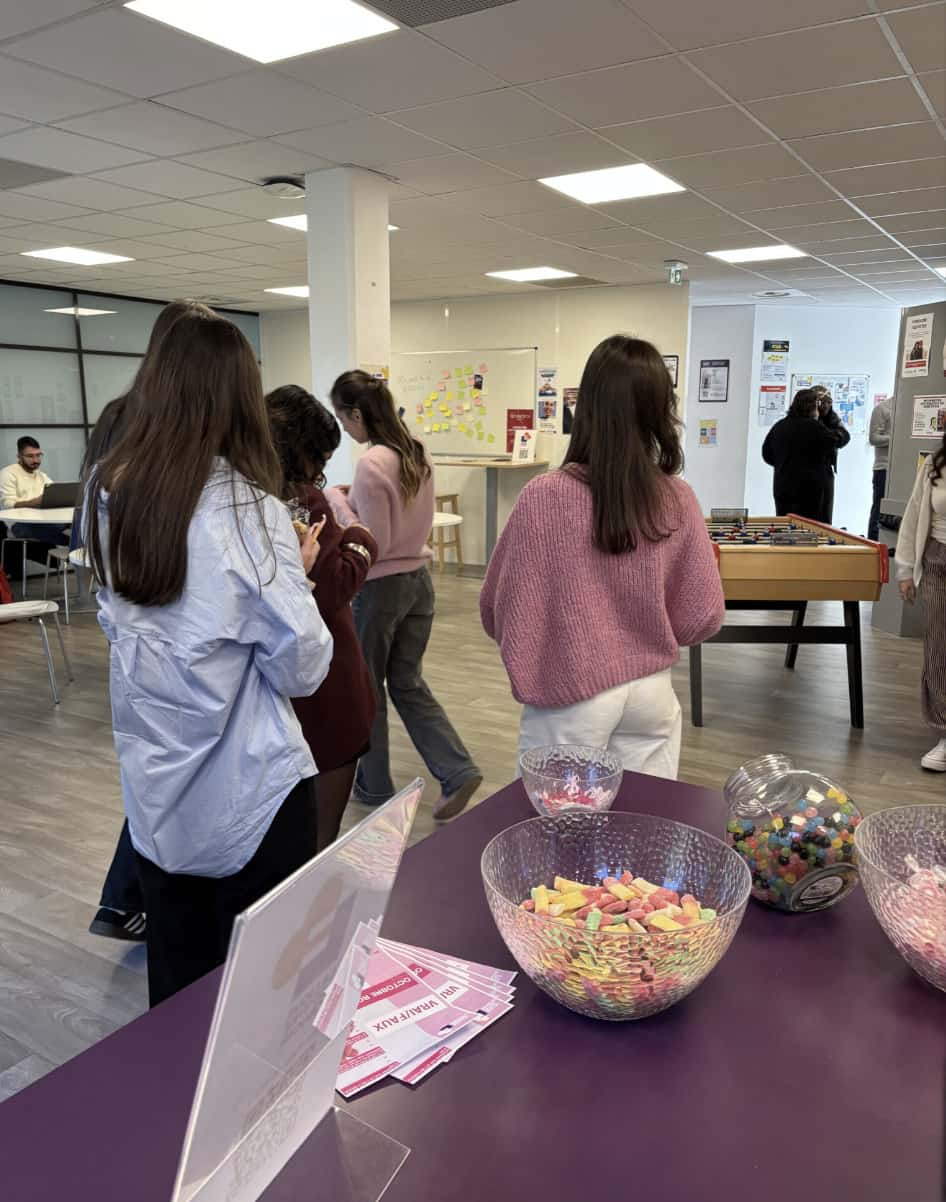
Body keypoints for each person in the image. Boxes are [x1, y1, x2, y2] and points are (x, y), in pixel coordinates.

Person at [87, 308, 333, 1006]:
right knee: (262, 995)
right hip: (249, 787)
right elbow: (302, 668)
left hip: (157, 783)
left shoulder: (109, 491)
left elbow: (120, 620)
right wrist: (299, 577)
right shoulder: (246, 510)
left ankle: (176, 1109)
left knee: (177, 982)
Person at [480, 335, 725, 778]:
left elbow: (497, 608)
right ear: (660, 410)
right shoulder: (679, 497)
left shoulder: (544, 497)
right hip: (651, 691)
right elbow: (700, 617)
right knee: (641, 829)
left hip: (570, 695)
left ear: (586, 405)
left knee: (554, 836)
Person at [85, 300, 213, 944]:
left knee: (157, 773)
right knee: (173, 777)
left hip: (135, 620)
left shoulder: (119, 417)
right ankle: (138, 901)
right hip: (169, 618)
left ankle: (129, 900)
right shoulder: (155, 426)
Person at [327, 370, 482, 820]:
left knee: (366, 688)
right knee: (408, 683)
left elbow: (374, 541)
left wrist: (337, 503)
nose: (344, 429)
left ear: (356, 413)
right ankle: (456, 769)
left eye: (343, 419)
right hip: (419, 582)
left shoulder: (371, 463)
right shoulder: (415, 449)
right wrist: (352, 497)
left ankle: (374, 786)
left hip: (380, 590)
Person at [266, 384, 378, 850]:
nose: (322, 471)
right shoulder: (301, 502)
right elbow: (331, 589)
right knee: (317, 837)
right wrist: (359, 539)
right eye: (321, 456)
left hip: (271, 685)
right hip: (324, 679)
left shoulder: (232, 497)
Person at [895, 432, 946, 772]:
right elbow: (914, 514)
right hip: (938, 563)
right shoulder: (935, 464)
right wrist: (905, 569)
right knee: (938, 649)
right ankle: (944, 732)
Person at [762, 389, 848, 522]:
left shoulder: (779, 426)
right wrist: (832, 418)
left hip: (782, 486)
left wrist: (784, 464)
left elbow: (766, 454)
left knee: (785, 526)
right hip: (809, 491)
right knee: (811, 531)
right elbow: (841, 439)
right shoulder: (815, 428)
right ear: (813, 407)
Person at [0, 436, 68, 569]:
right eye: (30, 456)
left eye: (38, 455)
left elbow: (54, 494)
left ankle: (79, 553)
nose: (36, 460)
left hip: (45, 521)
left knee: (78, 525)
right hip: (20, 525)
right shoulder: (7, 474)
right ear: (19, 456)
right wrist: (35, 502)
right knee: (70, 534)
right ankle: (80, 557)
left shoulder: (41, 475)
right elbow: (8, 505)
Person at [812, 386, 851, 524]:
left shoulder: (832, 417)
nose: (826, 405)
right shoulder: (805, 418)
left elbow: (844, 436)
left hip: (825, 469)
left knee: (825, 515)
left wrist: (830, 437)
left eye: (829, 402)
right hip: (806, 470)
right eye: (823, 402)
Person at [868, 397, 892, 541]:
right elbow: (873, 438)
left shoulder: (912, 408)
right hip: (884, 468)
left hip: (903, 468)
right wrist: (896, 438)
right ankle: (872, 546)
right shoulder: (883, 408)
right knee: (879, 510)